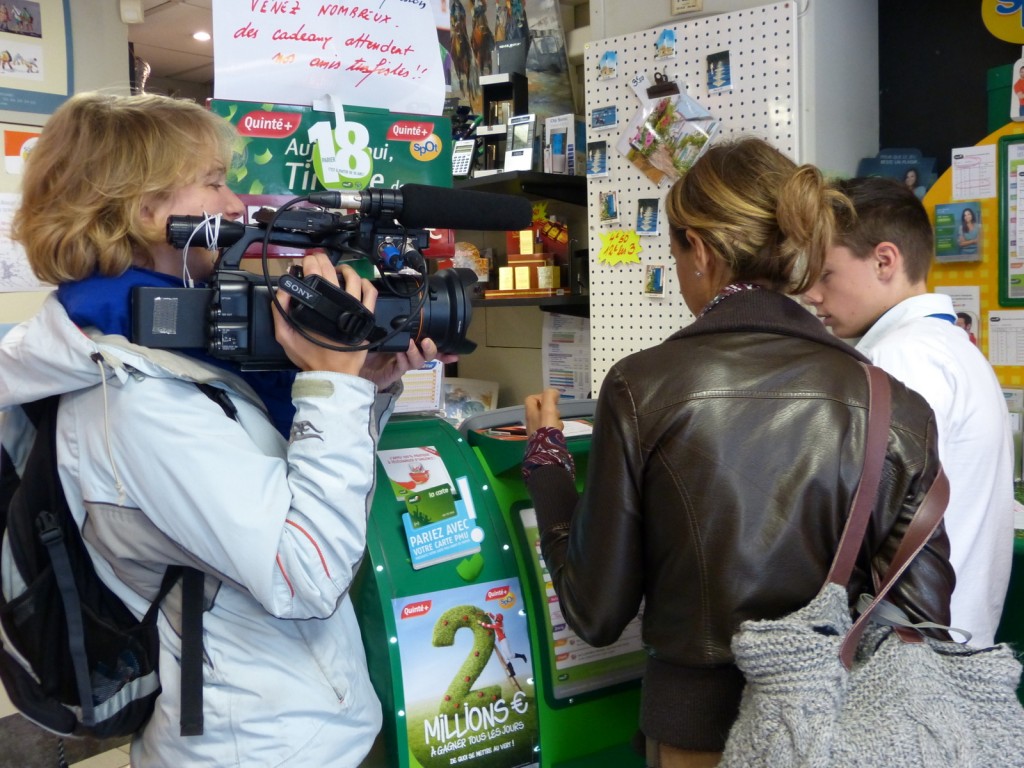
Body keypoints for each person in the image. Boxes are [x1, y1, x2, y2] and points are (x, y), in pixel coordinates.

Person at [0, 92, 455, 766]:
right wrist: (334, 388)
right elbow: (305, 574)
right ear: (142, 207)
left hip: (295, 727)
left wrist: (366, 386)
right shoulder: (135, 399)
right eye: (214, 182)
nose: (238, 205)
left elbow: (292, 481)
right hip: (249, 747)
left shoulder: (181, 353)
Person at [521, 137, 955, 768]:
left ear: (698, 248)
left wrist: (549, 468)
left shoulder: (644, 387)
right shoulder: (895, 404)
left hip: (697, 737)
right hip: (841, 735)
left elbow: (596, 611)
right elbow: (921, 613)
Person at [803, 176, 1013, 649]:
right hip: (947, 637)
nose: (812, 294)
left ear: (884, 260)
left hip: (909, 644)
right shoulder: (948, 346)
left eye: (825, 274)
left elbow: (863, 520)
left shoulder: (900, 360)